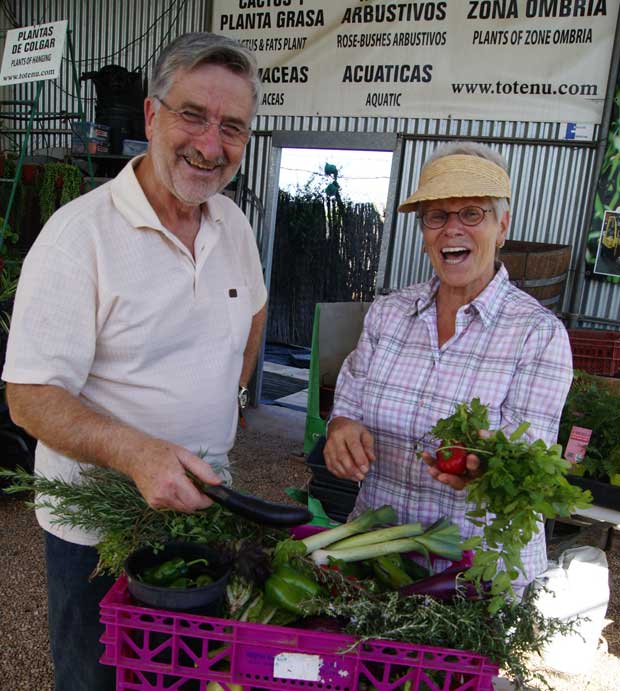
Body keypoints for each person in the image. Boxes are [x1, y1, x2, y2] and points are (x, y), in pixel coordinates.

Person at [2, 32, 266, 691]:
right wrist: (139, 454)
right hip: (99, 530)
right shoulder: (78, 235)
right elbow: (29, 395)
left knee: (180, 677)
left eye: (232, 126)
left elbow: (253, 312)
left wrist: (226, 400)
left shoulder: (233, 225)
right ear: (151, 115)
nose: (211, 145)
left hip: (202, 514)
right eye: (193, 116)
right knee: (97, 680)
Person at [323, 141, 573, 592]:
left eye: (472, 213)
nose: (451, 229)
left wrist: (487, 469)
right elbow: (351, 400)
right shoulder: (388, 313)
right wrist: (342, 427)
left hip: (473, 572)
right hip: (376, 553)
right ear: (423, 233)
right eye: (437, 216)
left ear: (502, 227)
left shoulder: (538, 334)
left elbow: (529, 462)